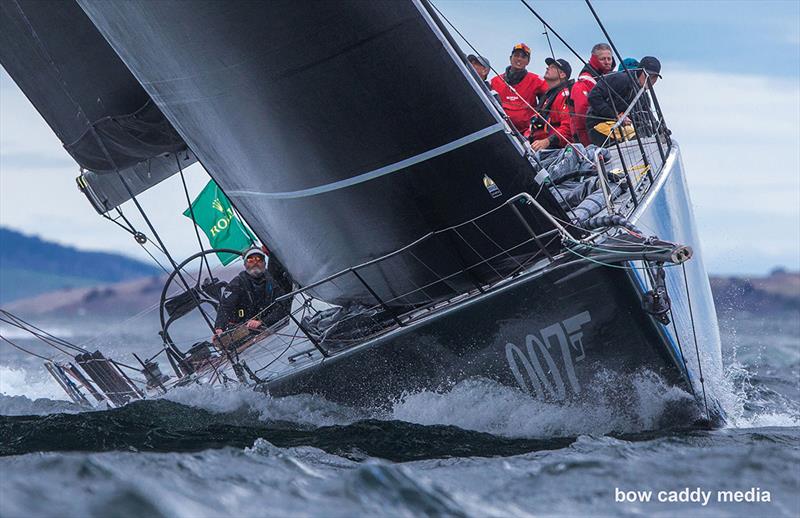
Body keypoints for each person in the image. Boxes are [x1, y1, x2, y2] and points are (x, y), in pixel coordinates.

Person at [585, 56, 662, 147]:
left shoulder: (643, 95)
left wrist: (660, 130)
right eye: (648, 75)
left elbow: (646, 116)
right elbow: (593, 96)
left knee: (641, 136)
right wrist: (615, 115)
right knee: (632, 136)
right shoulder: (620, 79)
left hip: (622, 129)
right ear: (640, 71)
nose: (650, 80)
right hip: (598, 125)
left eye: (654, 77)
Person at [213, 246, 285, 339]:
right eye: (250, 260)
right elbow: (225, 307)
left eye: (259, 260)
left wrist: (262, 322)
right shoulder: (237, 283)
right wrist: (219, 328)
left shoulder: (273, 281)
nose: (255, 263)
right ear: (245, 264)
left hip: (273, 327)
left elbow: (284, 306)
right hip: (245, 332)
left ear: (264, 263)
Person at [490, 43, 548, 134]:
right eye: (516, 55)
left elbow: (550, 97)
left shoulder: (537, 80)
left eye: (523, 57)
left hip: (527, 134)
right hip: (500, 131)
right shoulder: (495, 81)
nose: (519, 59)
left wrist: (539, 115)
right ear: (510, 58)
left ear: (528, 61)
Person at [569, 43, 615, 146]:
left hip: (607, 131)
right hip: (589, 136)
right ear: (594, 59)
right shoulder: (583, 83)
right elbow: (582, 112)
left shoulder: (610, 78)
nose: (607, 62)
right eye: (603, 59)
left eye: (609, 59)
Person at [529, 58, 573, 151]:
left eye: (552, 67)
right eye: (548, 66)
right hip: (538, 147)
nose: (547, 68)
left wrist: (547, 141)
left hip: (556, 150)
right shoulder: (548, 96)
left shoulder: (565, 95)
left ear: (562, 74)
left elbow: (568, 128)